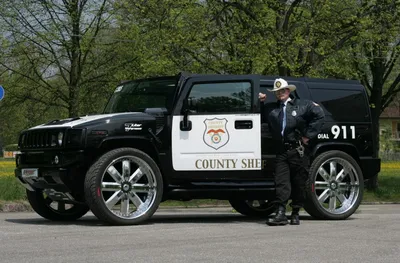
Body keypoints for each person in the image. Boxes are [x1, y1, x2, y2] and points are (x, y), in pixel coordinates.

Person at [259, 78, 325, 226]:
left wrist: (308, 135)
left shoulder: (303, 105)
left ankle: (295, 212)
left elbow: (320, 115)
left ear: (288, 91)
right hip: (281, 151)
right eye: (276, 92)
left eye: (282, 90)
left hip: (298, 150)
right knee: (281, 182)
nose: (279, 94)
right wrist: (261, 102)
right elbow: (258, 115)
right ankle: (281, 213)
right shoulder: (271, 109)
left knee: (299, 182)